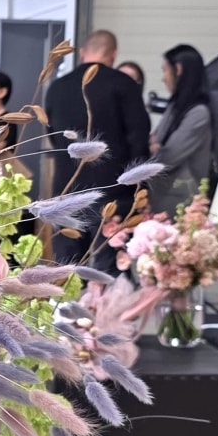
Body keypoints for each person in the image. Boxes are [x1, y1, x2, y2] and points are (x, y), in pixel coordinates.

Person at [45, 29, 150, 267]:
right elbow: (138, 138)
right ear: (113, 54)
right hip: (114, 192)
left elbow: (53, 136)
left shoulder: (57, 87)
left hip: (67, 188)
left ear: (82, 53)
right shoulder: (124, 85)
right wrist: (141, 190)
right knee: (109, 268)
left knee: (68, 268)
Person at [149, 44, 213, 215]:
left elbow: (167, 157)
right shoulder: (176, 106)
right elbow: (154, 141)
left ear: (178, 69)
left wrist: (155, 147)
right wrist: (154, 146)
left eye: (165, 71)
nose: (163, 78)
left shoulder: (198, 113)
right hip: (162, 199)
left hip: (181, 205)